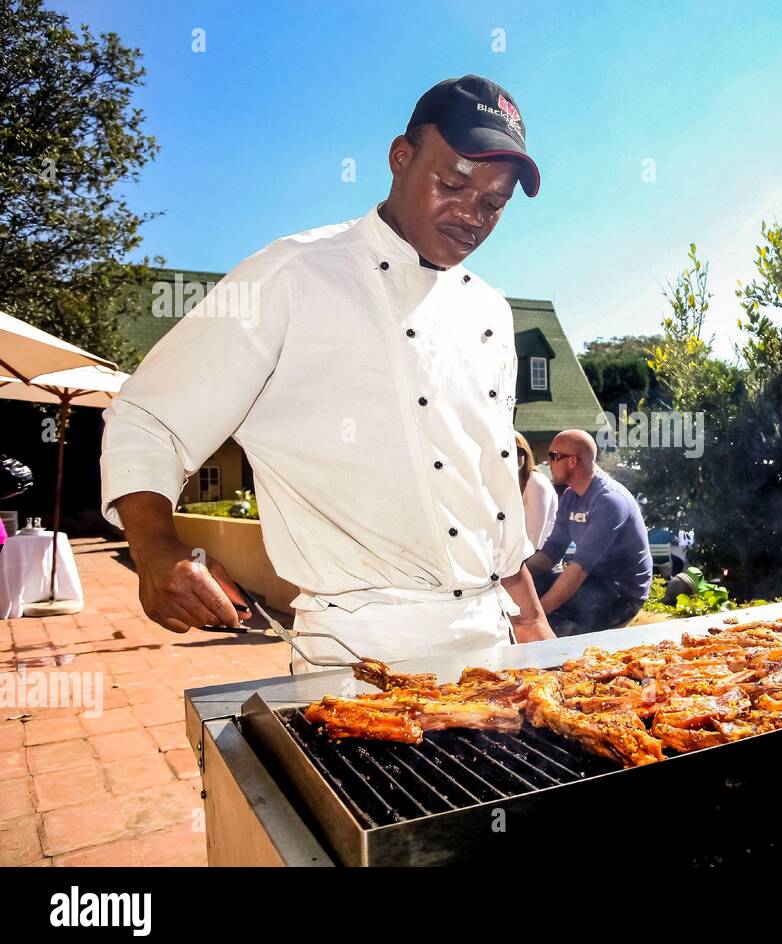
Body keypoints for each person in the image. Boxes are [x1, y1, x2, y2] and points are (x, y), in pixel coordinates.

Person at [100, 75, 556, 672]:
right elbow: (148, 418)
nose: (472, 214)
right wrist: (156, 549)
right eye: (453, 184)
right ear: (400, 156)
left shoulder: (491, 310)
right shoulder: (294, 274)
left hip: (490, 640)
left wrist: (530, 618)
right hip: (359, 650)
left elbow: (486, 485)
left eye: (494, 205)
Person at [524, 430, 652, 636]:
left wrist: (536, 617)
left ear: (572, 461)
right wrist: (513, 578)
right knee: (529, 587)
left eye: (553, 456)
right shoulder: (570, 497)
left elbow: (578, 570)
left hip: (622, 593)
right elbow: (549, 554)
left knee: (556, 616)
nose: (547, 463)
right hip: (591, 581)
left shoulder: (610, 501)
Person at [516, 432, 556, 549]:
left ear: (527, 454)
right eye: (508, 451)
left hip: (536, 556)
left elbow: (532, 540)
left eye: (519, 452)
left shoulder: (535, 482)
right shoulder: (506, 483)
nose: (513, 456)